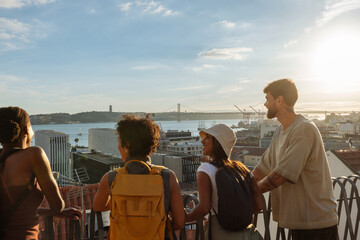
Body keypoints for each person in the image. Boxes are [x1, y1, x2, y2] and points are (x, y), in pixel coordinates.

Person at [252, 79, 339, 239]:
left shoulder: (304, 129)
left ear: (280, 100)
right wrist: (242, 183)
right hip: (300, 224)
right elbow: (262, 168)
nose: (265, 104)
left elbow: (280, 176)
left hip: (318, 225)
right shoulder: (280, 131)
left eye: (268, 99)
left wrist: (248, 191)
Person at [93, 115, 185, 238]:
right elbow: (179, 222)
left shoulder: (111, 178)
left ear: (127, 145)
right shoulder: (167, 177)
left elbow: (97, 206)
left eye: (120, 142)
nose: (118, 146)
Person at [0, 106, 81, 240]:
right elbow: (58, 206)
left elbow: (14, 208)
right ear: (26, 129)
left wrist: (47, 211)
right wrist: (56, 210)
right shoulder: (33, 154)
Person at [185, 124, 262, 240]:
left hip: (220, 233)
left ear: (218, 142)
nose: (202, 141)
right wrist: (238, 218)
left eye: (207, 138)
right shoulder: (243, 170)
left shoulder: (206, 169)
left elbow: (204, 208)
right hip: (247, 233)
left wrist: (186, 217)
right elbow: (259, 205)